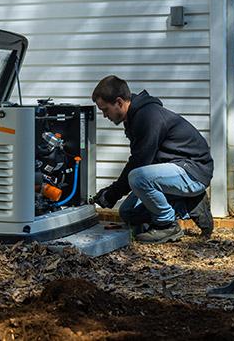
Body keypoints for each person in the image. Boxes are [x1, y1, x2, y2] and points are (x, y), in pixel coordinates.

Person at [90, 75, 214, 243]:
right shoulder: (134, 118)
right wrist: (111, 193)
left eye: (105, 110)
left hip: (194, 170)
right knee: (128, 213)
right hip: (175, 170)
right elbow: (141, 161)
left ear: (119, 102)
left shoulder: (148, 116)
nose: (105, 115)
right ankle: (188, 203)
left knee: (137, 176)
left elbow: (139, 163)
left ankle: (167, 225)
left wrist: (112, 194)